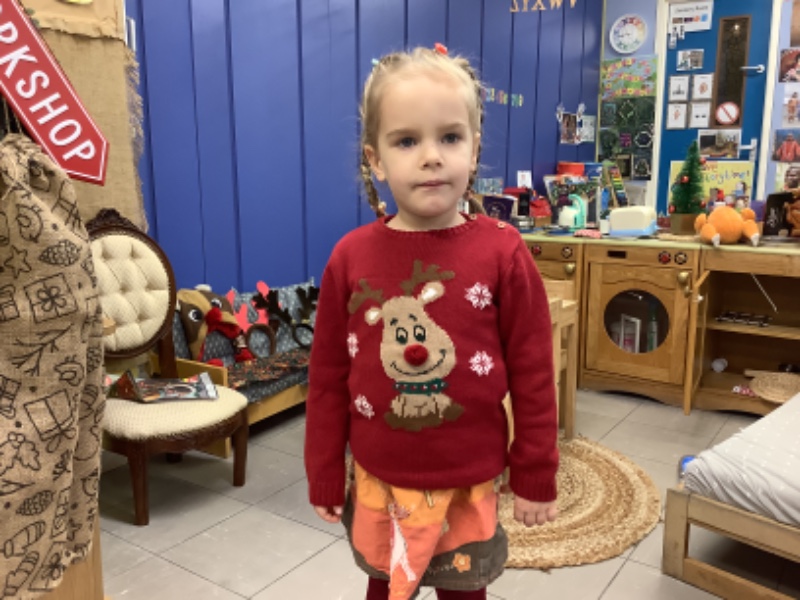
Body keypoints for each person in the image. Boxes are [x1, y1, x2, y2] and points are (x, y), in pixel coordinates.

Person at [304, 46, 559, 600]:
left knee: (464, 592)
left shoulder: (503, 251)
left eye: (449, 137)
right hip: (379, 477)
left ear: (474, 149)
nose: (431, 157)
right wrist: (323, 467)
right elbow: (326, 378)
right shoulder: (349, 257)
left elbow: (535, 372)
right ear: (375, 160)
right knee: (384, 589)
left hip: (469, 480)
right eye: (406, 141)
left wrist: (535, 468)